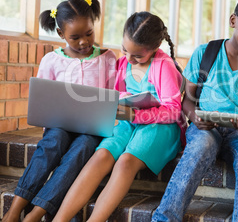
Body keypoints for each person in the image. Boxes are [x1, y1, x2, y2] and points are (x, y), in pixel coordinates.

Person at [152, 0, 238, 222]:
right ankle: (165, 218)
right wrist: (196, 117)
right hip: (205, 128)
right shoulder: (205, 54)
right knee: (200, 146)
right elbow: (187, 101)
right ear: (233, 21)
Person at [53, 11, 186, 221]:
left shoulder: (163, 65)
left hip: (161, 125)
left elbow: (173, 110)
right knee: (101, 155)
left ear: (155, 48)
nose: (129, 58)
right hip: (130, 120)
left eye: (138, 55)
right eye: (125, 50)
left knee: (125, 161)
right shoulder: (124, 62)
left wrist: (136, 116)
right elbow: (117, 94)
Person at [3, 0, 116, 222]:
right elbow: (43, 100)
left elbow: (115, 95)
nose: (84, 42)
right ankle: (14, 211)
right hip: (58, 125)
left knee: (82, 148)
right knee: (52, 143)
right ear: (60, 34)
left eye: (89, 33)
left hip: (91, 129)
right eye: (75, 37)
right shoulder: (51, 60)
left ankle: (37, 213)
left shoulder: (107, 58)